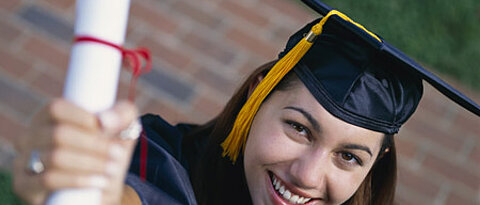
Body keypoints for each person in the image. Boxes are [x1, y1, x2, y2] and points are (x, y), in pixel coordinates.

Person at [12, 1, 480, 205]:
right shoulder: (164, 163)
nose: (308, 176)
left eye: (349, 156)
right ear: (258, 94)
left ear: (376, 165)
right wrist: (75, 184)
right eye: (300, 128)